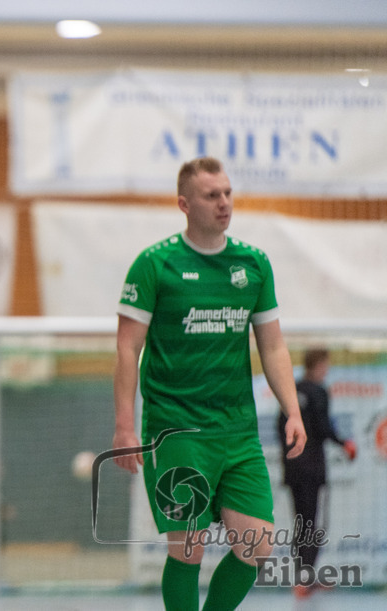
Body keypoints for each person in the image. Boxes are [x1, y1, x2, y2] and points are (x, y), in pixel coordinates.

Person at [112, 157, 307, 611]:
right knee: (188, 546)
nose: (223, 203)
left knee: (256, 545)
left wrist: (293, 410)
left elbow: (273, 347)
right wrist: (124, 426)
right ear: (184, 204)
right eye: (210, 195)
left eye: (227, 193)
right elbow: (127, 347)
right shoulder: (154, 265)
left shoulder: (253, 264)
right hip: (175, 427)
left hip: (237, 430)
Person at [276, 347, 357, 599]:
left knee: (301, 523)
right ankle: (304, 579)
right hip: (312, 469)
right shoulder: (319, 391)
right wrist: (345, 443)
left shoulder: (291, 391)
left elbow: (281, 427)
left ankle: (303, 578)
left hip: (293, 468)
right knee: (311, 523)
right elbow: (323, 427)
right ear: (320, 364)